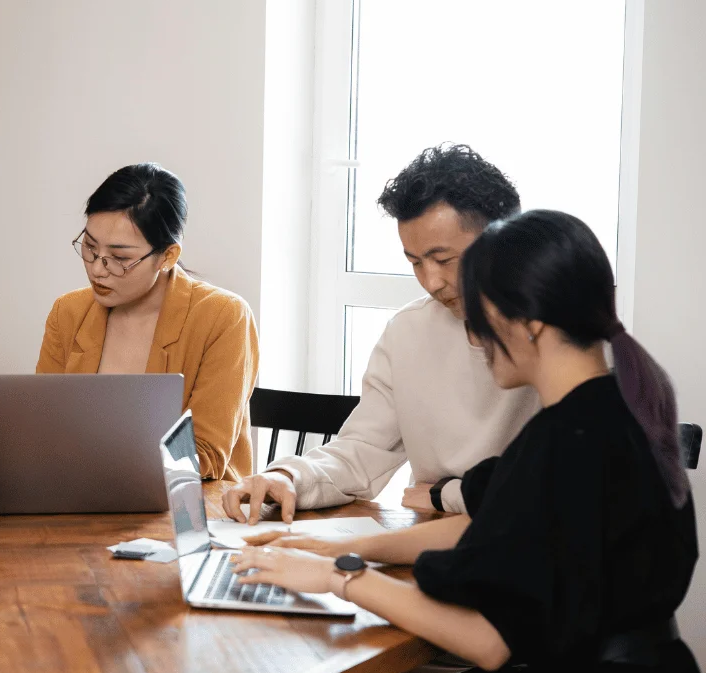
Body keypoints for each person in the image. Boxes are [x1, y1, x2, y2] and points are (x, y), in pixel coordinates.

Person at [235, 210, 706, 673]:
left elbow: (487, 643)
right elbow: (488, 528)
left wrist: (337, 575)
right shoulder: (616, 408)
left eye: (480, 319)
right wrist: (348, 547)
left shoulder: (564, 442)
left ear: (530, 321)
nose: (475, 339)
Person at [223, 143, 540, 520]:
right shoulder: (409, 331)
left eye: (443, 260)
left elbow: (558, 485)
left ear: (502, 242)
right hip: (430, 536)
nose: (431, 282)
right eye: (415, 262)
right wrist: (289, 476)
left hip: (521, 539)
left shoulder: (554, 334)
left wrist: (444, 494)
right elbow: (362, 450)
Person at [37, 162, 259, 480]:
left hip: (188, 510)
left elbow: (205, 455)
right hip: (82, 494)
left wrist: (88, 453)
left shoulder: (223, 317)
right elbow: (42, 426)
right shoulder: (68, 312)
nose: (98, 269)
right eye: (89, 247)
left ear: (167, 256)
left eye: (120, 258)